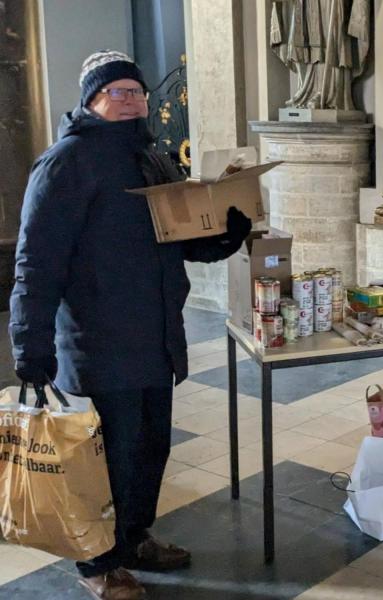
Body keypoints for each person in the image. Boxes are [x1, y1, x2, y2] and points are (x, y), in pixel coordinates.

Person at [9, 50, 253, 600]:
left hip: (156, 337)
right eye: (116, 92)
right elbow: (36, 262)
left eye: (137, 92)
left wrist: (224, 236)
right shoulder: (65, 163)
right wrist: (30, 344)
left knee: (149, 449)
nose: (131, 101)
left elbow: (181, 239)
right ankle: (98, 563)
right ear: (91, 100)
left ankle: (134, 538)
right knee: (106, 461)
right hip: (97, 343)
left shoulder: (152, 158)